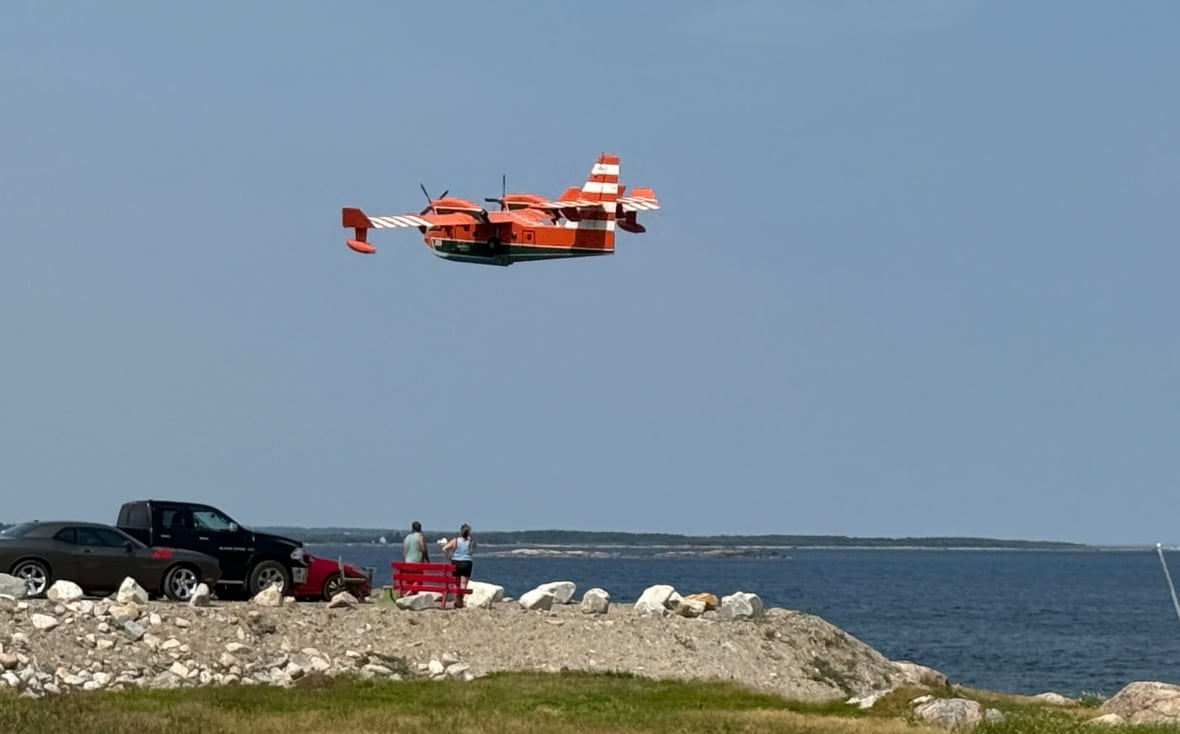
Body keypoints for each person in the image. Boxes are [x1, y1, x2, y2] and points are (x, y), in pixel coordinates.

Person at [442, 523, 475, 608]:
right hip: (467, 562)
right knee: (463, 583)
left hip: (456, 561)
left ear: (460, 531)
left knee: (456, 583)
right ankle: (461, 601)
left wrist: (449, 557)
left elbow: (444, 548)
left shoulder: (455, 541)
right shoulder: (471, 542)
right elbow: (472, 550)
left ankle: (457, 601)